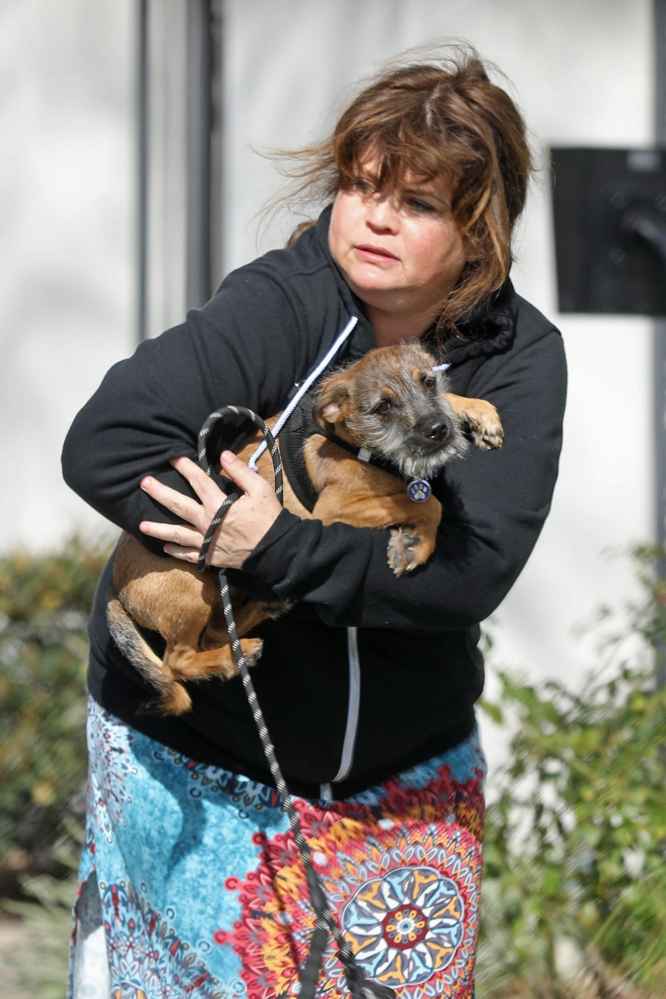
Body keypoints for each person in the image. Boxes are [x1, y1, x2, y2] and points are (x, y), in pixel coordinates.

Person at [62, 46, 566, 999]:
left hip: (403, 787)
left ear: (480, 231)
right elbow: (106, 444)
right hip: (196, 759)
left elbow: (469, 573)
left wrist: (278, 546)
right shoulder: (280, 302)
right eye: (361, 186)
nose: (375, 216)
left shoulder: (517, 357)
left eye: (417, 203)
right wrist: (223, 532)